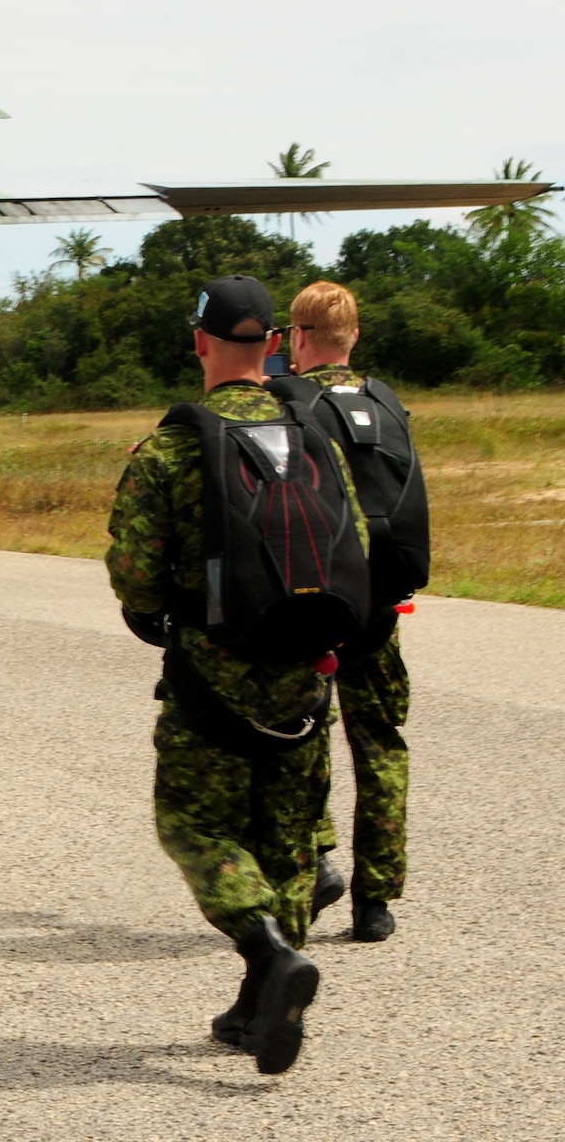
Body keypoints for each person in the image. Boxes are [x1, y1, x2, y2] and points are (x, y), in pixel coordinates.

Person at [106, 274, 368, 1074]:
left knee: (193, 827)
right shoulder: (314, 431)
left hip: (211, 677)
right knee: (286, 840)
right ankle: (261, 1002)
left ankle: (265, 947)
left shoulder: (175, 446)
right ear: (275, 347)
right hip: (304, 669)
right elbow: (353, 534)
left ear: (202, 342)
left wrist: (155, 616)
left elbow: (134, 572)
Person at [280, 280, 415, 943]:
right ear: (354, 334)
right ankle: (377, 902)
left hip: (320, 601)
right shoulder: (387, 401)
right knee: (381, 744)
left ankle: (319, 859)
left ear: (298, 338)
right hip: (384, 606)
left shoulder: (294, 402)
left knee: (304, 735)